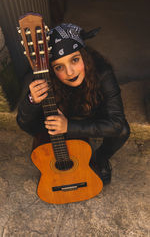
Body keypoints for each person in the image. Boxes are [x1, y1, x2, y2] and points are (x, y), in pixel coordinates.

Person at [17, 23, 130, 185]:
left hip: (90, 117)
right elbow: (26, 125)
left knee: (123, 130)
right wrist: (31, 101)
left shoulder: (103, 73)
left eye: (75, 60)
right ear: (51, 69)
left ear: (84, 56)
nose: (70, 72)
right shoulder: (45, 79)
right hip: (60, 122)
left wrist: (69, 126)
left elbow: (117, 123)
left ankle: (99, 159)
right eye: (59, 67)